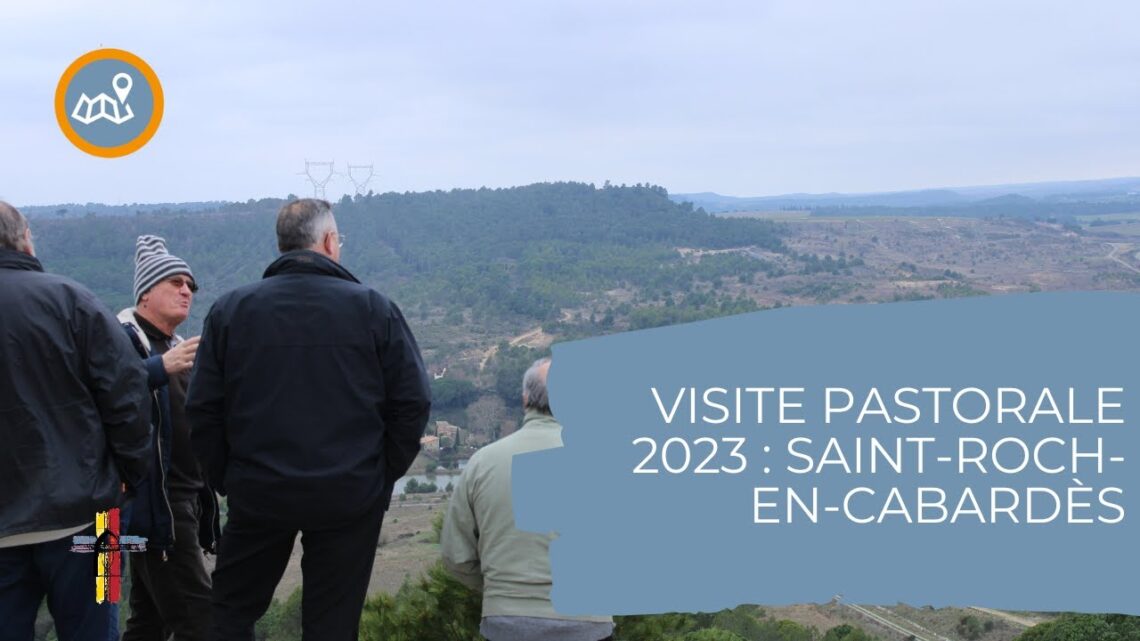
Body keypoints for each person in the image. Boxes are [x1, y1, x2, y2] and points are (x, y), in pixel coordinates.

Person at [186, 198, 431, 641]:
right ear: (330, 242)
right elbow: (412, 403)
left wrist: (230, 479)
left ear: (282, 246)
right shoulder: (374, 309)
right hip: (349, 495)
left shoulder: (231, 311)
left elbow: (202, 409)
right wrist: (377, 476)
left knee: (229, 613)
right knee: (332, 625)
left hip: (258, 491)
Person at [0, 201, 152, 641]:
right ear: (26, 239)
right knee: (99, 630)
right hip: (95, 519)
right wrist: (128, 474)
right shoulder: (74, 300)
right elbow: (128, 396)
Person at [441, 357, 614, 641]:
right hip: (587, 624)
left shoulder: (482, 462)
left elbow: (456, 556)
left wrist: (503, 591)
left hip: (506, 622)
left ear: (524, 400)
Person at [118, 235, 219, 641]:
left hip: (179, 502)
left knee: (148, 623)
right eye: (175, 282)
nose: (186, 291)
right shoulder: (119, 338)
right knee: (203, 621)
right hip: (145, 506)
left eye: (190, 285)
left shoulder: (178, 346)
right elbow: (97, 395)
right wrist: (159, 368)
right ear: (145, 293)